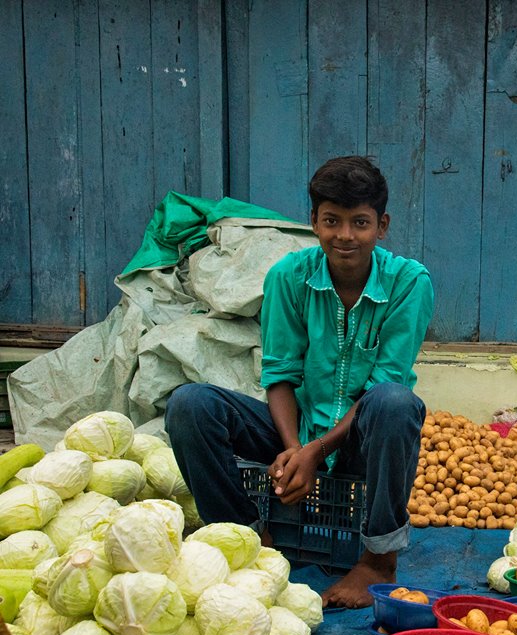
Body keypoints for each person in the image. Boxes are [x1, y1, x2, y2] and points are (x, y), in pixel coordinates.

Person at [165, 156, 435, 608]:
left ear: (381, 226)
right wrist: (294, 449)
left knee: (394, 402)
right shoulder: (289, 277)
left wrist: (317, 452)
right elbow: (280, 376)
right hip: (296, 427)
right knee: (190, 405)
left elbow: (382, 385)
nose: (345, 236)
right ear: (313, 222)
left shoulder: (410, 283)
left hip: (359, 441)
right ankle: (247, 538)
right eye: (332, 221)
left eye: (359, 223)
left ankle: (377, 561)